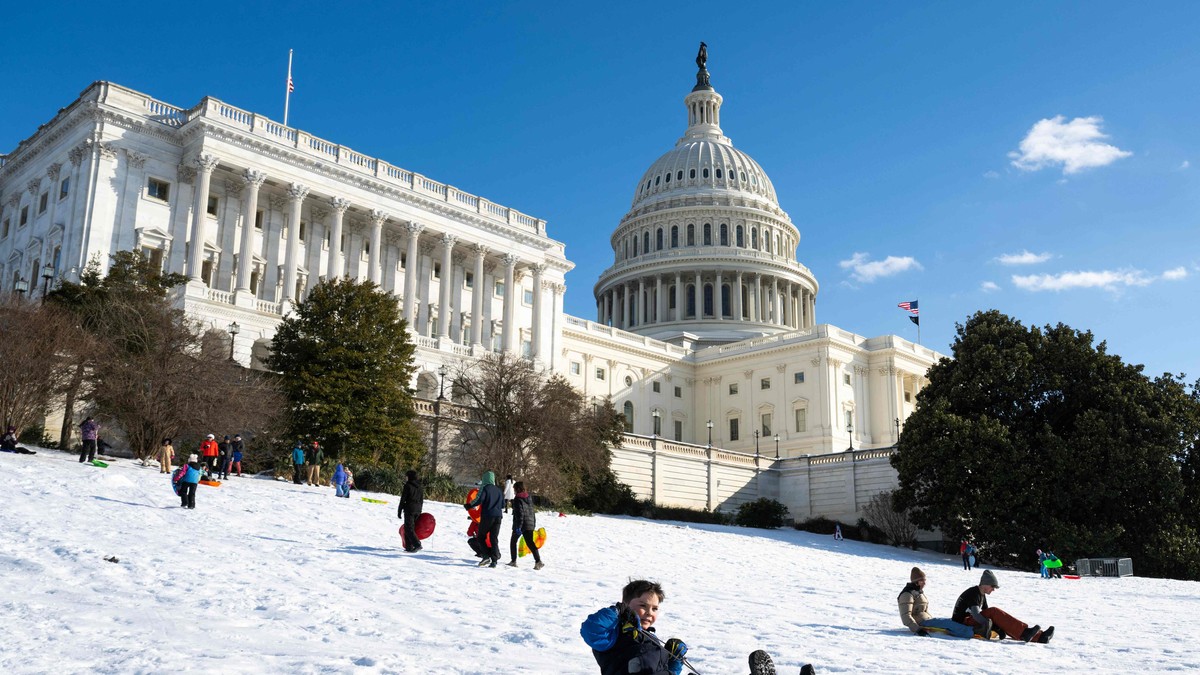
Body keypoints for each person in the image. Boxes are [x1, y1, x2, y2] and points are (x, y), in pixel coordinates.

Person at [952, 570, 1054, 643]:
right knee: (994, 611)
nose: (993, 590)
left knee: (996, 614)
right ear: (985, 584)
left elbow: (986, 613)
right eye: (993, 587)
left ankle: (1040, 636)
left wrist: (999, 626)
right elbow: (976, 615)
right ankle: (1025, 632)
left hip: (970, 619)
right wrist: (992, 625)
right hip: (963, 621)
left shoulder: (981, 594)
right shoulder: (973, 593)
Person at [898, 567, 973, 638]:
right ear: (916, 582)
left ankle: (972, 628)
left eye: (925, 580)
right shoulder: (907, 594)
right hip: (921, 623)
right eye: (922, 581)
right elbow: (905, 616)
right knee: (948, 624)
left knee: (951, 621)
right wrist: (917, 629)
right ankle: (972, 632)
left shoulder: (917, 592)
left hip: (927, 620)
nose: (924, 583)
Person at [464, 470, 504, 567]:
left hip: (487, 516)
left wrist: (469, 505)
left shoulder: (485, 488)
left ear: (485, 479)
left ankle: (486, 556)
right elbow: (503, 505)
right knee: (494, 538)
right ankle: (494, 561)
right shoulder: (499, 490)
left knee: (480, 537)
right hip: (498, 517)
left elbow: (479, 500)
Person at [508, 480, 544, 570]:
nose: (514, 491)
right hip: (530, 524)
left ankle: (513, 561)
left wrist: (518, 527)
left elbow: (520, 514)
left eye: (514, 489)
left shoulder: (517, 499)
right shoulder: (529, 498)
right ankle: (538, 561)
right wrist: (533, 524)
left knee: (513, 541)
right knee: (530, 543)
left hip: (521, 524)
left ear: (517, 489)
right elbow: (532, 512)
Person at [399, 470, 425, 552]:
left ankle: (417, 544)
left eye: (406, 476)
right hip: (417, 509)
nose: (406, 478)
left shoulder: (408, 485)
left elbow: (403, 499)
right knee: (410, 528)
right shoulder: (420, 486)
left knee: (408, 528)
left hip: (409, 508)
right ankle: (409, 547)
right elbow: (421, 500)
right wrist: (420, 510)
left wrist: (399, 510)